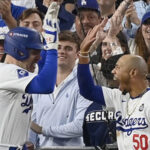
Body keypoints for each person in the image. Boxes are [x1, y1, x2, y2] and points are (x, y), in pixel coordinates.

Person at [77, 5, 150, 150]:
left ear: (133, 73)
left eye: (118, 68)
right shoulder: (118, 96)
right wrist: (84, 54)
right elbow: (87, 90)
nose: (114, 72)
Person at [0, 2, 59, 149]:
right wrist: (51, 47)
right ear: (19, 51)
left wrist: (48, 36)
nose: (38, 57)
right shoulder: (6, 72)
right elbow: (46, 86)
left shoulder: (22, 71)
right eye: (34, 52)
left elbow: (45, 68)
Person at [28, 31, 91, 148]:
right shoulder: (40, 81)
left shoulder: (84, 83)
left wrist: (44, 130)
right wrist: (30, 143)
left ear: (77, 54)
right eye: (59, 47)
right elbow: (33, 121)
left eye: (68, 48)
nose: (62, 51)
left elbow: (81, 126)